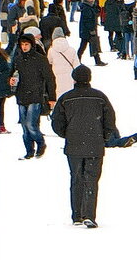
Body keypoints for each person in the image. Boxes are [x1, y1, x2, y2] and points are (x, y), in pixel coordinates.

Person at [50, 65, 117, 228]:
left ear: (74, 78)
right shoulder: (100, 97)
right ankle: (89, 214)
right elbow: (110, 121)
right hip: (95, 144)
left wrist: (67, 134)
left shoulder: (66, 98)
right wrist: (104, 137)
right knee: (92, 179)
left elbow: (57, 122)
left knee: (76, 178)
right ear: (89, 78)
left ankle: (77, 215)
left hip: (74, 145)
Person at [9, 34, 55, 159]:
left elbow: (50, 79)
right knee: (24, 127)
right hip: (21, 95)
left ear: (32, 45)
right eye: (22, 44)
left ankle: (40, 143)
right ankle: (29, 150)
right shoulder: (18, 59)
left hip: (35, 95)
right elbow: (12, 74)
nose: (24, 47)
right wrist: (11, 81)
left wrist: (52, 97)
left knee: (31, 124)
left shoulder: (40, 59)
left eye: (26, 44)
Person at [76, 0, 107, 66]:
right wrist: (91, 29)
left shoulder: (90, 7)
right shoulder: (87, 8)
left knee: (91, 45)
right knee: (85, 46)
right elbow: (87, 20)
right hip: (88, 31)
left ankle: (97, 61)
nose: (93, 0)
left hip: (87, 30)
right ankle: (78, 59)